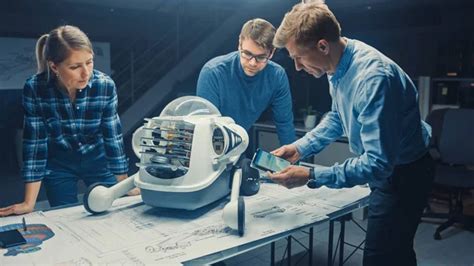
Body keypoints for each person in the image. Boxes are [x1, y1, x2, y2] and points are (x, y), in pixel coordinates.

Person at [268, 2, 434, 265]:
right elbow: (338, 116)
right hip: (393, 168)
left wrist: (312, 175)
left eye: (298, 57)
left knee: (382, 258)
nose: (297, 67)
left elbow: (377, 164)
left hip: (404, 175)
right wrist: (301, 147)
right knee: (397, 253)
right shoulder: (337, 62)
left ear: (322, 46)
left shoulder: (372, 79)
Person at [0, 25, 138, 217]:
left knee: (115, 211)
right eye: (75, 67)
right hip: (59, 165)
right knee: (63, 216)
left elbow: (112, 138)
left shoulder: (105, 85)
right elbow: (35, 145)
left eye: (89, 63)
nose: (86, 73)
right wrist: (28, 203)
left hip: (98, 160)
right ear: (54, 66)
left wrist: (124, 184)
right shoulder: (35, 88)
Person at [196, 18, 296, 145]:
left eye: (261, 57)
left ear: (271, 53)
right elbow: (207, 129)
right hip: (210, 145)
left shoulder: (277, 76)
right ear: (239, 44)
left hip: (239, 143)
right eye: (247, 54)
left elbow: (284, 124)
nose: (252, 63)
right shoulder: (213, 73)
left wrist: (292, 160)